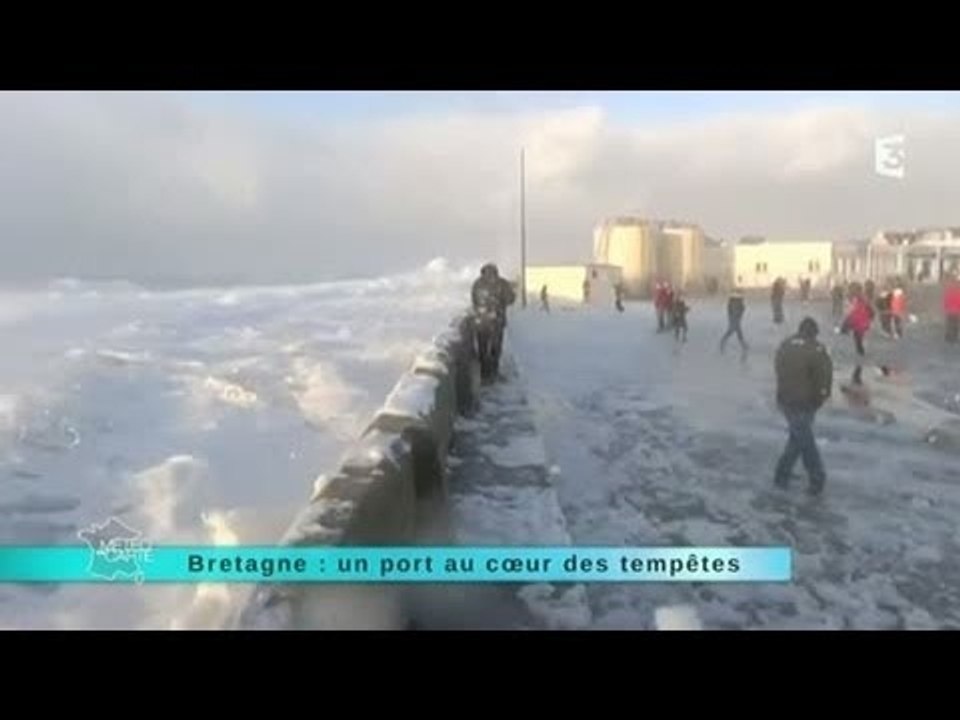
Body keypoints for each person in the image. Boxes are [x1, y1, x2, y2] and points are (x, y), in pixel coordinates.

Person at [774, 317, 833, 496]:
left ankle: (782, 475)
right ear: (814, 332)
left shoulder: (785, 344)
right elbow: (824, 377)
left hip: (785, 399)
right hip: (805, 402)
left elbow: (777, 368)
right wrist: (821, 398)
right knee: (805, 440)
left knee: (797, 437)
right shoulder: (816, 349)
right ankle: (817, 478)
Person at [471, 263, 515, 383]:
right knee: (495, 349)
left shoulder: (477, 283)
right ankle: (493, 373)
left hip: (481, 322)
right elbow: (511, 299)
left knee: (482, 349)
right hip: (496, 322)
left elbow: (474, 301)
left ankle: (484, 375)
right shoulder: (501, 283)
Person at [841, 284, 873, 385]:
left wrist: (848, 325)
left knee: (858, 340)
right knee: (858, 339)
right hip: (861, 325)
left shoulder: (859, 305)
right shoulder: (862, 304)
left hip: (859, 325)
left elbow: (854, 316)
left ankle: (861, 356)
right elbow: (870, 312)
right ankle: (861, 355)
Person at [720, 287, 748, 354]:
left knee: (736, 331)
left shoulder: (736, 301)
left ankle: (743, 344)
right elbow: (735, 310)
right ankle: (723, 341)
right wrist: (736, 315)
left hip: (735, 318)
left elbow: (742, 309)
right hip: (734, 318)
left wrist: (740, 313)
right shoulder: (734, 302)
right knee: (733, 331)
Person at [944, 274, 960, 344]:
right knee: (955, 324)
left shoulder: (949, 290)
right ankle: (954, 337)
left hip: (950, 310)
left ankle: (949, 337)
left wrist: (945, 307)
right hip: (956, 311)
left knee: (950, 324)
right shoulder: (958, 291)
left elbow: (946, 300)